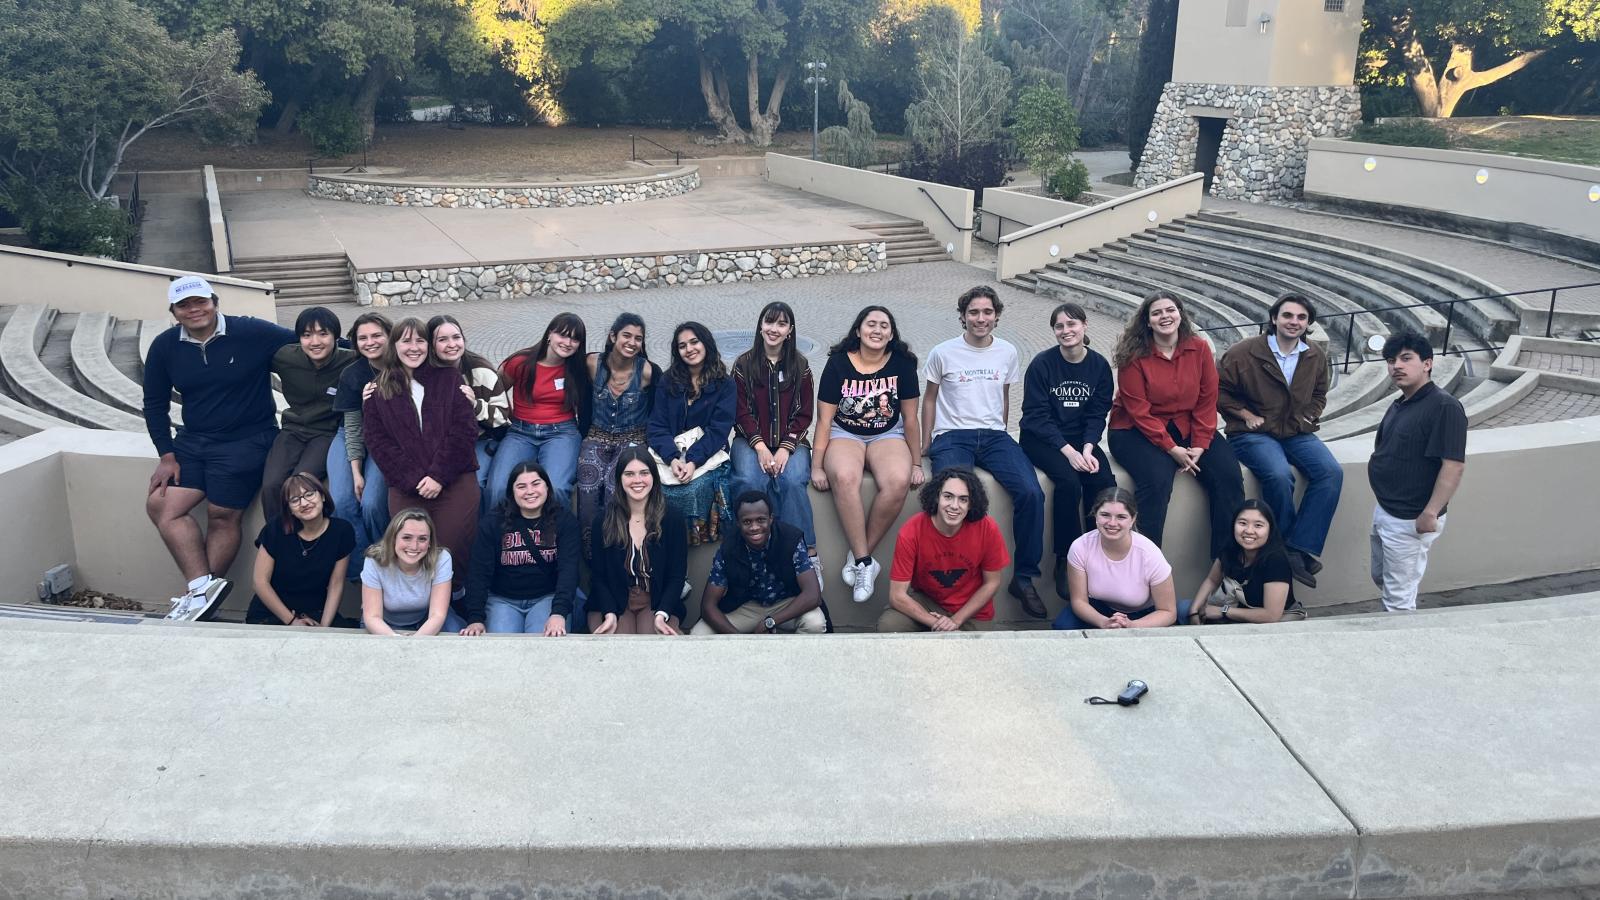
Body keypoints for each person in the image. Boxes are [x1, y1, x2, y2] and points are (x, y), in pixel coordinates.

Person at [143, 275, 297, 621]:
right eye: (184, 305)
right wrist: (166, 454)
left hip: (248, 440)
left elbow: (310, 342)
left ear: (215, 302)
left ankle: (198, 601)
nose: (194, 310)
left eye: (201, 301)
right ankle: (202, 590)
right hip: (194, 442)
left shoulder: (250, 332)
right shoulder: (165, 346)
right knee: (161, 506)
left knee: (222, 515)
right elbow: (153, 404)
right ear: (174, 311)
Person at [921, 285, 1047, 618]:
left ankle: (1024, 578)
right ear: (963, 317)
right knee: (955, 498)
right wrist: (925, 442)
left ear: (997, 316)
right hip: (952, 436)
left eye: (987, 312)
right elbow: (929, 399)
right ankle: (959, 579)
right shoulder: (943, 352)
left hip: (994, 436)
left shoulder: (1007, 352)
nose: (981, 318)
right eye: (974, 312)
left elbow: (1003, 396)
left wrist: (1001, 430)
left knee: (1032, 492)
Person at [362, 317, 482, 633]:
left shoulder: (450, 378)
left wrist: (438, 476)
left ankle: (455, 599)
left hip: (453, 478)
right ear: (394, 346)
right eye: (405, 341)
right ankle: (418, 610)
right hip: (406, 483)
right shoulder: (378, 390)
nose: (413, 348)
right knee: (412, 547)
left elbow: (463, 431)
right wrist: (415, 479)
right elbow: (377, 441)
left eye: (420, 341)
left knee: (453, 543)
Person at [1107, 291, 1245, 560]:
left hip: (1189, 425)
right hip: (1134, 430)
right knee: (1156, 481)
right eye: (1156, 313)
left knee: (1228, 477)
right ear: (1147, 321)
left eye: (1170, 310)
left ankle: (1226, 568)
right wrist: (1172, 449)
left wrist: (1201, 446)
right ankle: (1146, 566)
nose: (1165, 316)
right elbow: (1139, 411)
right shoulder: (1133, 355)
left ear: (1180, 314)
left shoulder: (1200, 348)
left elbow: (1207, 399)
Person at [1218, 293, 1341, 587]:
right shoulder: (1243, 352)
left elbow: (1319, 394)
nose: (1294, 322)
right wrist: (1245, 414)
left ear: (1309, 323)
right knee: (1278, 474)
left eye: (1301, 317)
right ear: (1274, 318)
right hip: (1252, 433)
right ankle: (1283, 545)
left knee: (1331, 472)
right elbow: (1219, 392)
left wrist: (1310, 416)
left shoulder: (1314, 356)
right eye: (1287, 316)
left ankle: (1298, 547)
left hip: (1295, 431)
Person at [811, 305, 924, 603]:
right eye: (870, 324)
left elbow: (911, 419)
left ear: (891, 333)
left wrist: (916, 462)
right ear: (858, 330)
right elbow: (824, 420)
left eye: (884, 325)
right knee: (845, 476)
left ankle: (859, 559)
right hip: (844, 433)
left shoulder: (902, 364)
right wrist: (817, 466)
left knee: (899, 481)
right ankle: (865, 562)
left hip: (888, 433)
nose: (877, 330)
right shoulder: (838, 364)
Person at [1019, 302, 1118, 600]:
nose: (1066, 331)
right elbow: (1035, 415)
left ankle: (1099, 553)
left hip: (1080, 438)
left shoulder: (1099, 366)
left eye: (1072, 324)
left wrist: (1087, 448)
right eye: (1059, 326)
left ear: (1085, 326)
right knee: (1068, 482)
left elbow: (1097, 413)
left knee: (1102, 481)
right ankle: (1066, 558)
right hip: (1042, 439)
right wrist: (1069, 453)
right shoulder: (1042, 364)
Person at [1367, 332, 1467, 612]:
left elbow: (1453, 465)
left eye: (1406, 358)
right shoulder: (1402, 401)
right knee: (1382, 576)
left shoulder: (1444, 407)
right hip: (1387, 508)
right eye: (1391, 360)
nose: (1396, 366)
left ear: (1427, 364)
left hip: (1411, 516)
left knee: (1398, 599)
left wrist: (1431, 512)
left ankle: (1400, 648)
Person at [731, 301, 817, 569]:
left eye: (781, 324)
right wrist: (759, 446)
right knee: (749, 480)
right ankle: (748, 550)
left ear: (790, 330)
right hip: (749, 441)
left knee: (791, 481)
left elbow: (804, 414)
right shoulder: (743, 364)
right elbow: (740, 411)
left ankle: (806, 553)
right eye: (769, 322)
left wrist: (785, 448)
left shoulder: (800, 366)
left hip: (791, 443)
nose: (774, 329)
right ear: (760, 326)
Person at [878, 467, 1010, 632]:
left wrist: (955, 620)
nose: (954, 506)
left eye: (963, 499)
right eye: (948, 497)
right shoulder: (912, 531)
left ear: (971, 504)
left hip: (970, 610)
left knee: (978, 651)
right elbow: (897, 596)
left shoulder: (987, 528)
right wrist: (936, 623)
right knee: (889, 625)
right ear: (937, 497)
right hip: (928, 602)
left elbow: (992, 583)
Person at [487, 313, 590, 509]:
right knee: (497, 488)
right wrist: (509, 416)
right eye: (563, 335)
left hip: (562, 433)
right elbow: (496, 391)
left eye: (575, 338)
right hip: (520, 432)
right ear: (550, 334)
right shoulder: (520, 362)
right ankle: (498, 537)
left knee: (557, 488)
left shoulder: (578, 367)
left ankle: (555, 537)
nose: (568, 342)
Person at [1051, 487, 1193, 630]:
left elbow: (1167, 612)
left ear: (1133, 519)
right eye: (1105, 515)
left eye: (1121, 517)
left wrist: (1131, 625)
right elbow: (1079, 601)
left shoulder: (1149, 554)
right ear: (1095, 515)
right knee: (1063, 626)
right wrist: (1104, 622)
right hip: (1098, 608)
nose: (1112, 523)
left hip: (1141, 614)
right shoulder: (1080, 546)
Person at [465, 462, 581, 635]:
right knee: (503, 651)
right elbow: (479, 572)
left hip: (547, 597)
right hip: (502, 600)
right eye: (521, 486)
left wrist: (559, 612)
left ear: (547, 487)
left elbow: (569, 570)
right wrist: (475, 618)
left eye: (536, 484)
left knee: (544, 648)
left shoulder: (564, 521)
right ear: (512, 492)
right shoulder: (493, 522)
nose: (530, 491)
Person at [647, 322, 735, 546]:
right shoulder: (668, 381)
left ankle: (681, 558)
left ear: (706, 343)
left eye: (694, 342)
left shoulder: (725, 384)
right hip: (671, 455)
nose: (689, 349)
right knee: (650, 488)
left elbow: (718, 431)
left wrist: (693, 461)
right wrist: (673, 458)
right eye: (682, 345)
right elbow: (657, 426)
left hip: (708, 455)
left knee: (687, 492)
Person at [259, 306, 355, 510]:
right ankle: (278, 538)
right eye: (307, 335)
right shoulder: (285, 357)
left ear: (335, 337)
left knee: (301, 484)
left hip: (326, 432)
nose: (315, 342)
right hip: (292, 429)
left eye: (323, 334)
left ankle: (308, 536)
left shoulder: (350, 361)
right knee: (271, 485)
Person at [692, 491, 827, 635]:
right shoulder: (729, 547)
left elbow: (813, 595)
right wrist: (739, 639)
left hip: (785, 602)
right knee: (700, 633)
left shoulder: (790, 539)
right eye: (747, 522)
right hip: (745, 607)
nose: (754, 527)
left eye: (761, 520)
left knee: (815, 623)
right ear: (738, 523)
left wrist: (770, 621)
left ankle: (792, 658)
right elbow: (708, 605)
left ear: (771, 519)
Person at [587, 446, 688, 635]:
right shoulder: (603, 521)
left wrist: (662, 613)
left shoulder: (672, 519)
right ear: (619, 479)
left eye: (644, 473)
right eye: (629, 474)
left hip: (655, 601)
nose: (637, 480)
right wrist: (609, 613)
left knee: (651, 647)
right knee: (620, 648)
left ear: (653, 478)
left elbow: (676, 575)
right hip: (614, 601)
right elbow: (598, 577)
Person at [576, 313, 660, 538]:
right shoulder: (593, 363)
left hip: (632, 440)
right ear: (613, 336)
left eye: (638, 338)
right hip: (596, 437)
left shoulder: (647, 371)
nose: (632, 343)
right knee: (587, 490)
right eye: (627, 335)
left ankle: (618, 548)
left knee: (617, 490)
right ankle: (591, 556)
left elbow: (661, 407)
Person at [326, 312, 393, 577]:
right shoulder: (353, 374)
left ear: (390, 336)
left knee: (373, 503)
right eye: (362, 338)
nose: (370, 342)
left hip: (385, 440)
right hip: (351, 436)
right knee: (342, 501)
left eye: (377, 335)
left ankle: (387, 557)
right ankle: (363, 571)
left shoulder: (403, 366)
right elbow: (352, 428)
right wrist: (356, 472)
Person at [245, 473, 357, 626]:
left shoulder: (341, 531)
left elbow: (336, 584)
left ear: (323, 496)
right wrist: (292, 621)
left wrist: (324, 627)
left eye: (309, 494)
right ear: (289, 509)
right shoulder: (276, 529)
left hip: (316, 611)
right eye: (294, 500)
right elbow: (260, 582)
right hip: (274, 612)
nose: (304, 503)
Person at [427, 315, 510, 500]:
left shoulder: (482, 371)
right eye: (442, 339)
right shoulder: (426, 373)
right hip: (441, 444)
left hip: (481, 440)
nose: (452, 344)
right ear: (431, 346)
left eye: (456, 337)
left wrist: (475, 405)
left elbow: (502, 417)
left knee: (475, 484)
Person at [1187, 499, 1303, 624]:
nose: (1248, 530)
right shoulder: (1230, 549)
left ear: (1270, 529)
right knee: (1183, 608)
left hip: (1271, 621)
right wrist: (1193, 611)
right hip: (1238, 608)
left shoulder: (1276, 560)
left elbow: (1271, 615)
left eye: (1258, 525)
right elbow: (1212, 580)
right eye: (1242, 523)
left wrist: (1223, 611)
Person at [360, 509, 454, 636]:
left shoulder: (441, 559)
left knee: (458, 633)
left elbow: (437, 615)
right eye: (407, 537)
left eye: (422, 539)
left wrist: (414, 642)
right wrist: (396, 640)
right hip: (383, 624)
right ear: (393, 539)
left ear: (430, 543)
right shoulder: (375, 560)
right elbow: (372, 617)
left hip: (426, 621)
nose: (414, 546)